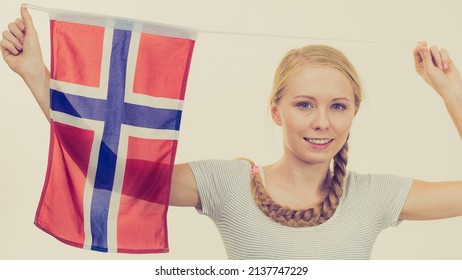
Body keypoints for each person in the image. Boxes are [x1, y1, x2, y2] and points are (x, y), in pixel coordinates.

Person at [2, 6, 462, 259]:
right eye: (305, 104)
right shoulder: (229, 184)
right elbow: (115, 170)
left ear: (353, 113)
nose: (322, 121)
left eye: (338, 106)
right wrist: (36, 76)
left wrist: (451, 93)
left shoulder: (375, 196)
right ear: (276, 111)